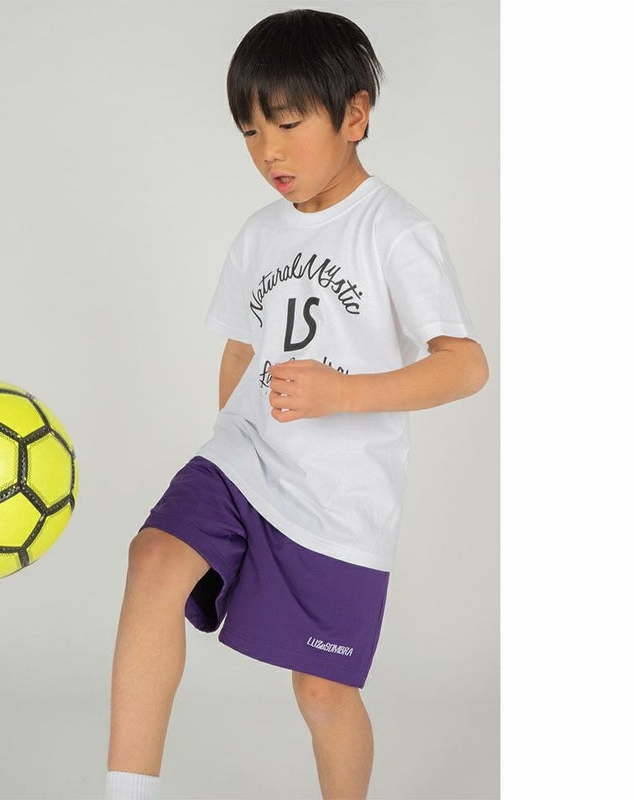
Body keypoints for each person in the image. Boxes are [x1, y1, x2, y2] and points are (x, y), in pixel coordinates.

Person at [105, 9, 489, 800]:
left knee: (322, 693)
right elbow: (239, 351)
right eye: (249, 131)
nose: (267, 152)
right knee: (153, 560)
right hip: (241, 462)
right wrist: (230, 445)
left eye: (285, 124)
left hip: (338, 501)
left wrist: (342, 393)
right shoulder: (259, 234)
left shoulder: (395, 232)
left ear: (355, 115)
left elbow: (465, 367)